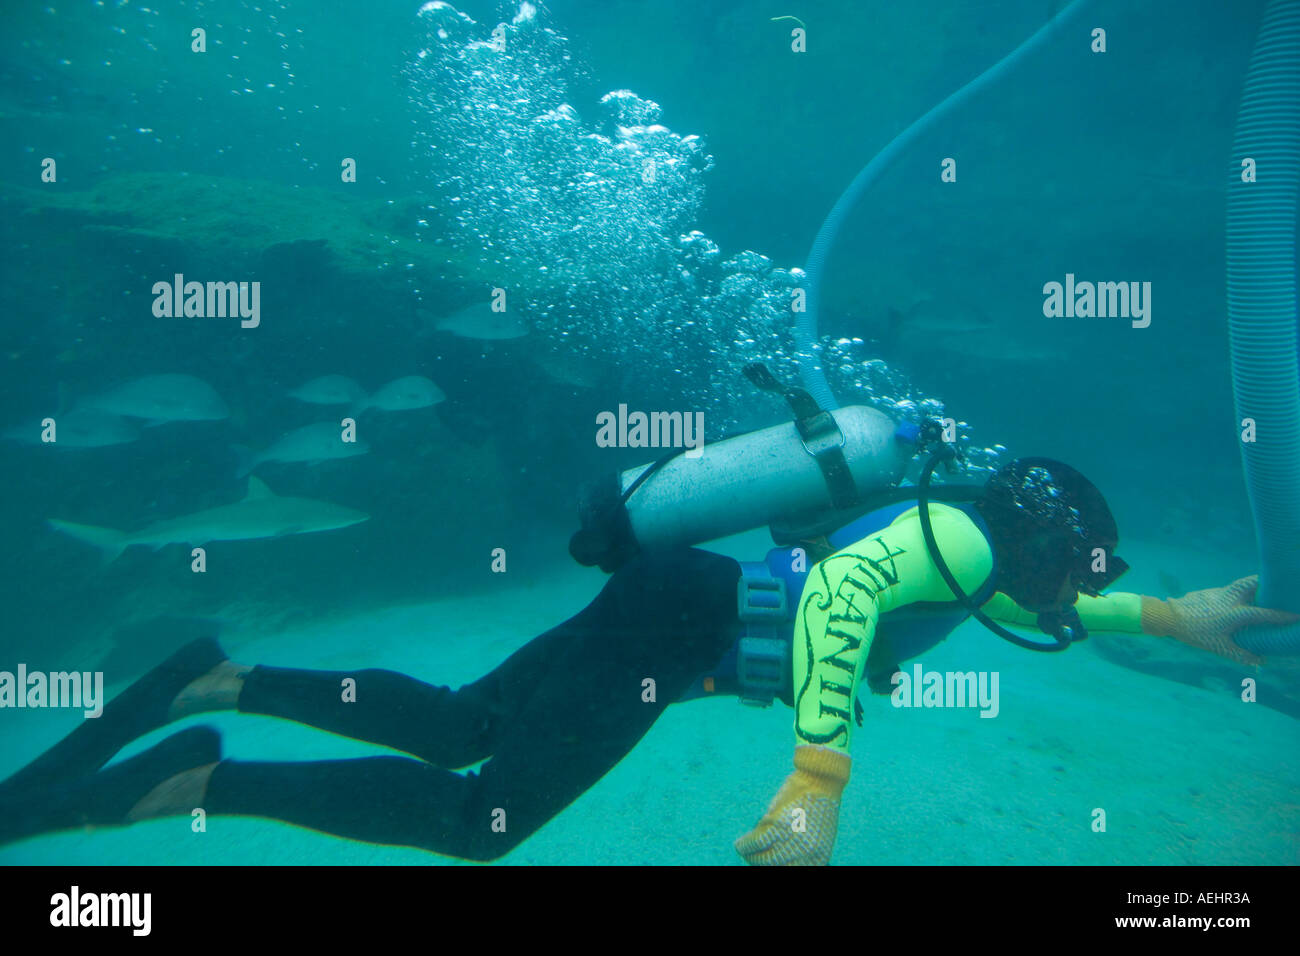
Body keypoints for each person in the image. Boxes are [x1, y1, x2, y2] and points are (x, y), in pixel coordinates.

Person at [1, 456, 1293, 864]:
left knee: (460, 723)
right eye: (1086, 572)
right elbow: (842, 593)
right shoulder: (955, 531)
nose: (1079, 597)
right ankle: (203, 780)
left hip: (678, 615)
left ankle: (214, 684)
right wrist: (818, 777)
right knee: (481, 819)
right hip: (675, 631)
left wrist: (1173, 617)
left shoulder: (990, 549)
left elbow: (1060, 614)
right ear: (1048, 536)